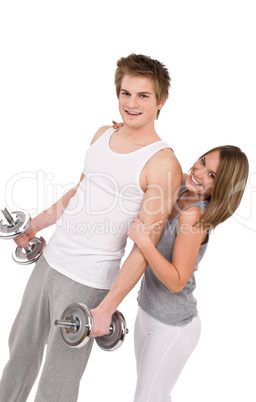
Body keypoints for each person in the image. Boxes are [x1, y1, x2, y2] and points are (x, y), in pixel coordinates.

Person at [0, 54, 182, 402]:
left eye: (143, 96)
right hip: (49, 261)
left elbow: (144, 246)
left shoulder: (163, 163)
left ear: (161, 101)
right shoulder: (103, 133)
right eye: (126, 93)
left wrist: (108, 305)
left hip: (89, 280)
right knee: (18, 355)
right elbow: (78, 193)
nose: (132, 103)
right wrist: (34, 226)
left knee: (58, 382)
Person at [127, 145, 249, 402]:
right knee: (154, 397)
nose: (199, 171)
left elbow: (177, 282)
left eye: (212, 175)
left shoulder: (193, 216)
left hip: (172, 326)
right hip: (146, 312)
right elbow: (154, 164)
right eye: (203, 161)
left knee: (146, 398)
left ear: (221, 187)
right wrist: (128, 135)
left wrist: (145, 243)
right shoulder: (184, 186)